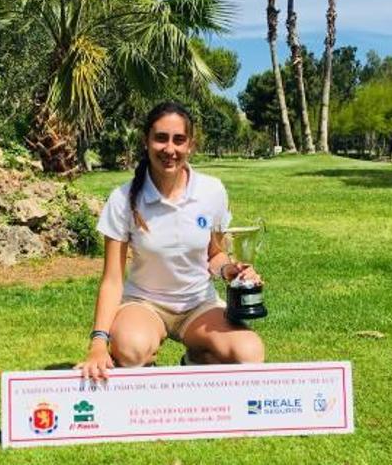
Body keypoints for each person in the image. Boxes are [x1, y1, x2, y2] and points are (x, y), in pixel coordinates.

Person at [76, 101, 265, 381]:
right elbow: (112, 280)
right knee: (131, 349)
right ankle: (145, 368)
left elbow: (214, 254)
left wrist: (231, 271)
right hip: (144, 304)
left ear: (191, 145)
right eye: (160, 138)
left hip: (199, 305)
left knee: (249, 353)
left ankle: (197, 358)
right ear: (146, 141)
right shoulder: (122, 199)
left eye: (179, 140)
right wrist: (98, 343)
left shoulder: (212, 191)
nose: (170, 149)